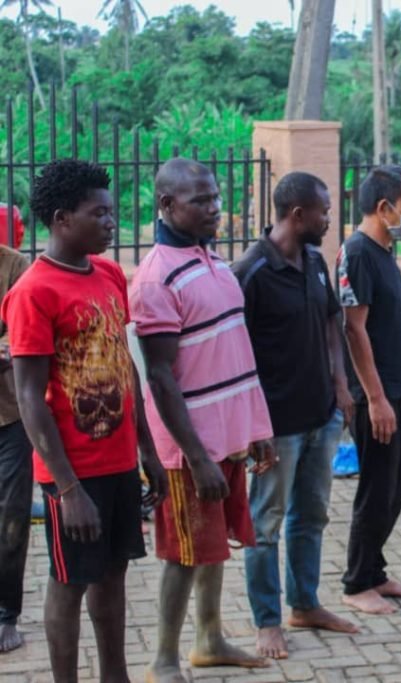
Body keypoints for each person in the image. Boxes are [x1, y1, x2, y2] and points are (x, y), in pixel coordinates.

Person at [1, 159, 167, 681]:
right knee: (69, 580)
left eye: (113, 212)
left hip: (119, 461)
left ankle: (113, 675)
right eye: (99, 214)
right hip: (72, 471)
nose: (111, 222)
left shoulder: (112, 275)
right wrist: (67, 488)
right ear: (61, 219)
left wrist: (149, 451)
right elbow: (29, 397)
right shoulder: (33, 291)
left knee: (112, 575)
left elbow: (125, 368)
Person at [131, 158, 275, 682]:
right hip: (189, 448)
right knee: (185, 553)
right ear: (168, 205)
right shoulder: (155, 278)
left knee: (214, 546)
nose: (215, 208)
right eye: (202, 201)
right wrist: (196, 456)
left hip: (228, 437)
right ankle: (164, 658)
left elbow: (233, 352)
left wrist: (254, 429)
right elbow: (161, 379)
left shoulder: (211, 259)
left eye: (215, 197)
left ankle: (209, 640)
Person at [233, 172, 358, 659]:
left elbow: (331, 319)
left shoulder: (313, 259)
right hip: (274, 427)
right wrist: (249, 426)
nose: (330, 220)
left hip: (320, 416)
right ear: (298, 215)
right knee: (265, 523)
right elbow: (234, 353)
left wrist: (341, 383)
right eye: (324, 212)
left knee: (312, 516)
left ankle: (304, 604)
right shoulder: (252, 271)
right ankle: (267, 621)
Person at [336, 165, 401, 614]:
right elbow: (353, 330)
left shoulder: (384, 250)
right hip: (379, 395)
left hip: (400, 389)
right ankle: (355, 583)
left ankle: (375, 571)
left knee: (394, 488)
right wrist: (375, 398)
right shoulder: (358, 253)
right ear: (384, 207)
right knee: (376, 488)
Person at [0, 244, 30, 653]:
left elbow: (19, 332)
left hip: (10, 413)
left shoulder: (14, 265)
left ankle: (7, 612)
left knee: (12, 513)